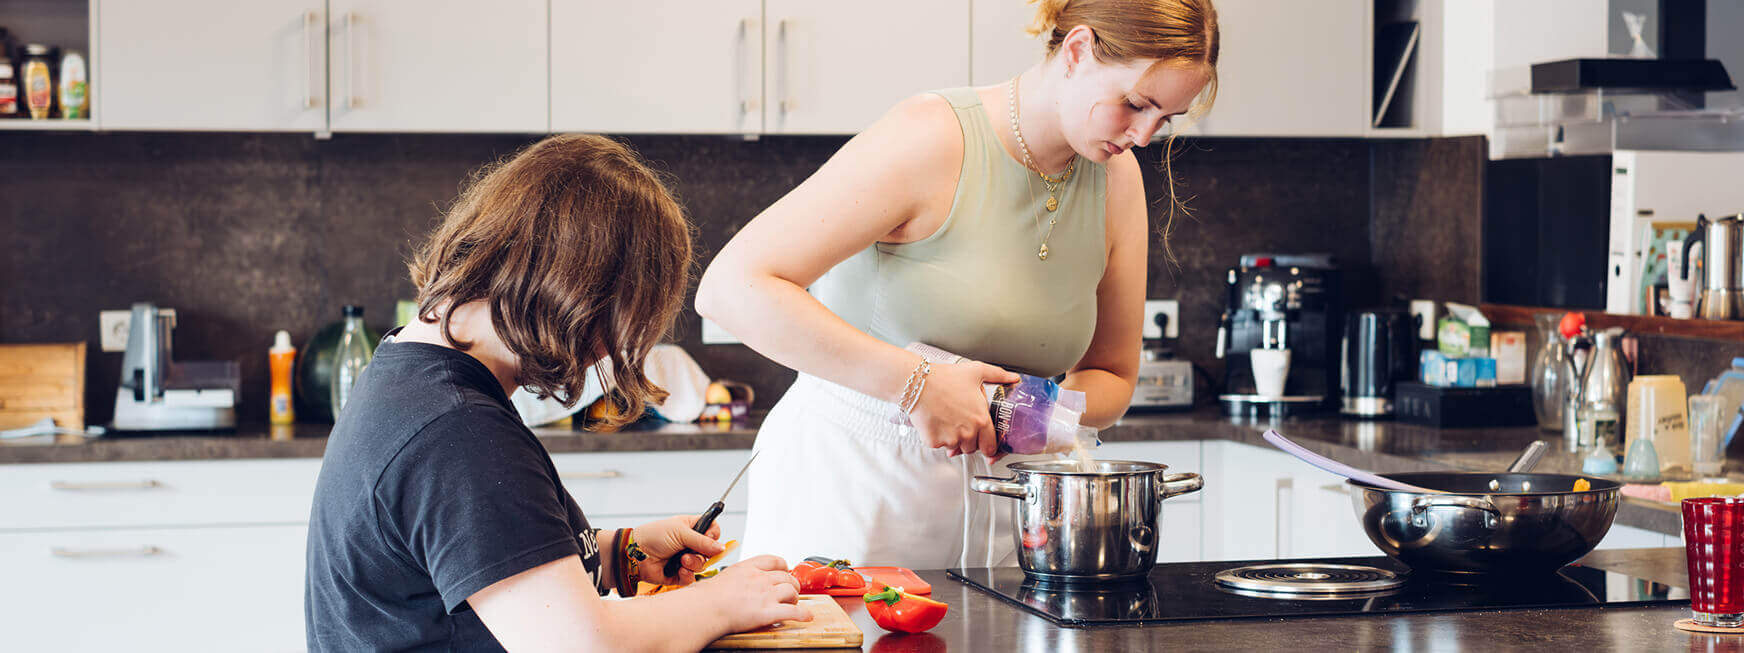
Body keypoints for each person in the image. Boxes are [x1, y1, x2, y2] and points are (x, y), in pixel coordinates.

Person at [697, 0, 1220, 568]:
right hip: (857, 483)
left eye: (1165, 118)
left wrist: (1024, 411)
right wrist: (918, 384)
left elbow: (1114, 375)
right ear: (1076, 51)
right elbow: (732, 287)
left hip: (1018, 496)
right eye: (1135, 104)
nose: (1144, 136)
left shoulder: (1116, 180)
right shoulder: (932, 136)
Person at [305, 134, 808, 652]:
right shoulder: (459, 433)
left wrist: (622, 556)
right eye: (621, 323)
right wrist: (721, 602)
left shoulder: (409, 371)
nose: (611, 352)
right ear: (574, 292)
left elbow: (480, 564)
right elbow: (585, 647)